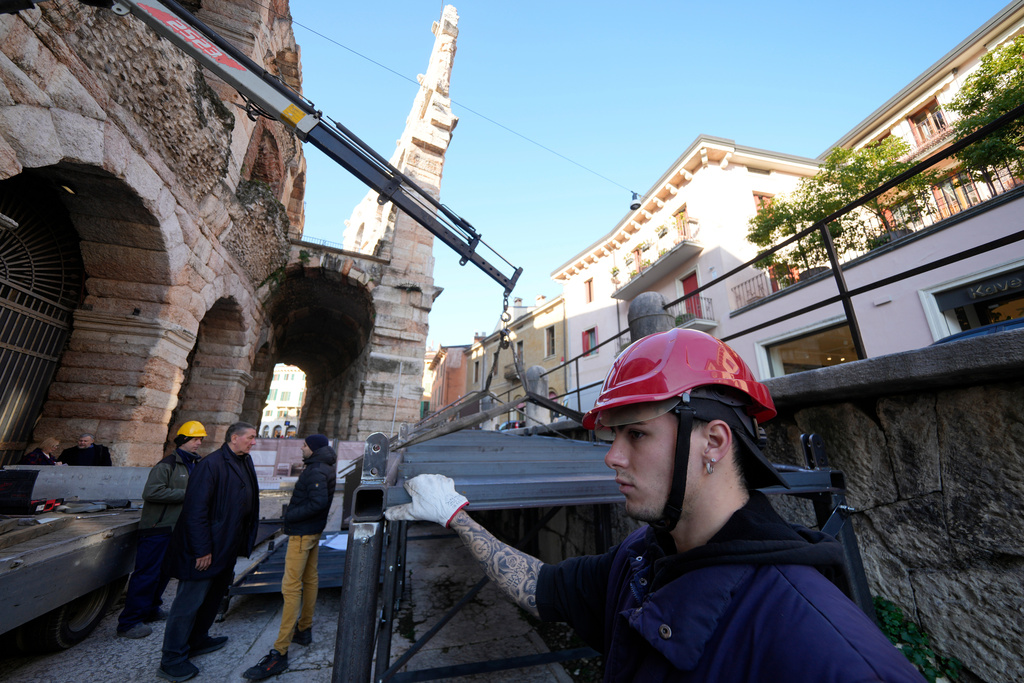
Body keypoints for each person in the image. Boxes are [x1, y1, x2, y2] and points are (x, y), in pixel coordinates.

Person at [387, 329, 927, 682]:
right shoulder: (643, 560)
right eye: (613, 437)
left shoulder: (818, 644)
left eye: (637, 436)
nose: (613, 458)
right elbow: (542, 586)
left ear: (714, 442)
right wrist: (456, 514)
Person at [158, 422, 260, 683]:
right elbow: (195, 512)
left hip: (226, 548)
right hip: (205, 550)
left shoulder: (243, 460)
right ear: (234, 438)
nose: (253, 442)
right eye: (250, 437)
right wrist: (202, 550)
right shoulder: (211, 465)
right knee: (188, 603)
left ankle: (198, 639)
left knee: (213, 598)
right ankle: (172, 658)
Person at [244, 434, 337, 680]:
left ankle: (280, 651)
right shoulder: (323, 466)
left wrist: (290, 516)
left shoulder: (316, 470)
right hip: (312, 531)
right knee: (310, 578)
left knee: (291, 587)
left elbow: (318, 503)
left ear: (314, 448)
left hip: (302, 533)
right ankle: (304, 629)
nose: (301, 448)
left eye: (304, 445)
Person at [115, 421, 207, 639]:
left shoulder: (193, 464)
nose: (199, 443)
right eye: (195, 439)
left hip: (175, 529)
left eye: (200, 439)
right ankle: (129, 623)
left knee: (164, 574)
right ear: (184, 440)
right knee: (147, 574)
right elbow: (152, 492)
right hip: (157, 528)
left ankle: (151, 609)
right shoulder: (167, 465)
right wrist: (187, 495)